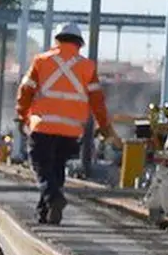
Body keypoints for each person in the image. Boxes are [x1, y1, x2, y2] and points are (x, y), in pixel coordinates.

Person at [12, 27, 111, 224]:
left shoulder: (41, 61)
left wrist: (21, 115)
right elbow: (97, 100)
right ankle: (46, 213)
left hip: (43, 125)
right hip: (71, 129)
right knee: (57, 168)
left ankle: (53, 198)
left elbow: (26, 90)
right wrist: (104, 125)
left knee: (41, 165)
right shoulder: (87, 67)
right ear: (79, 43)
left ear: (57, 40)